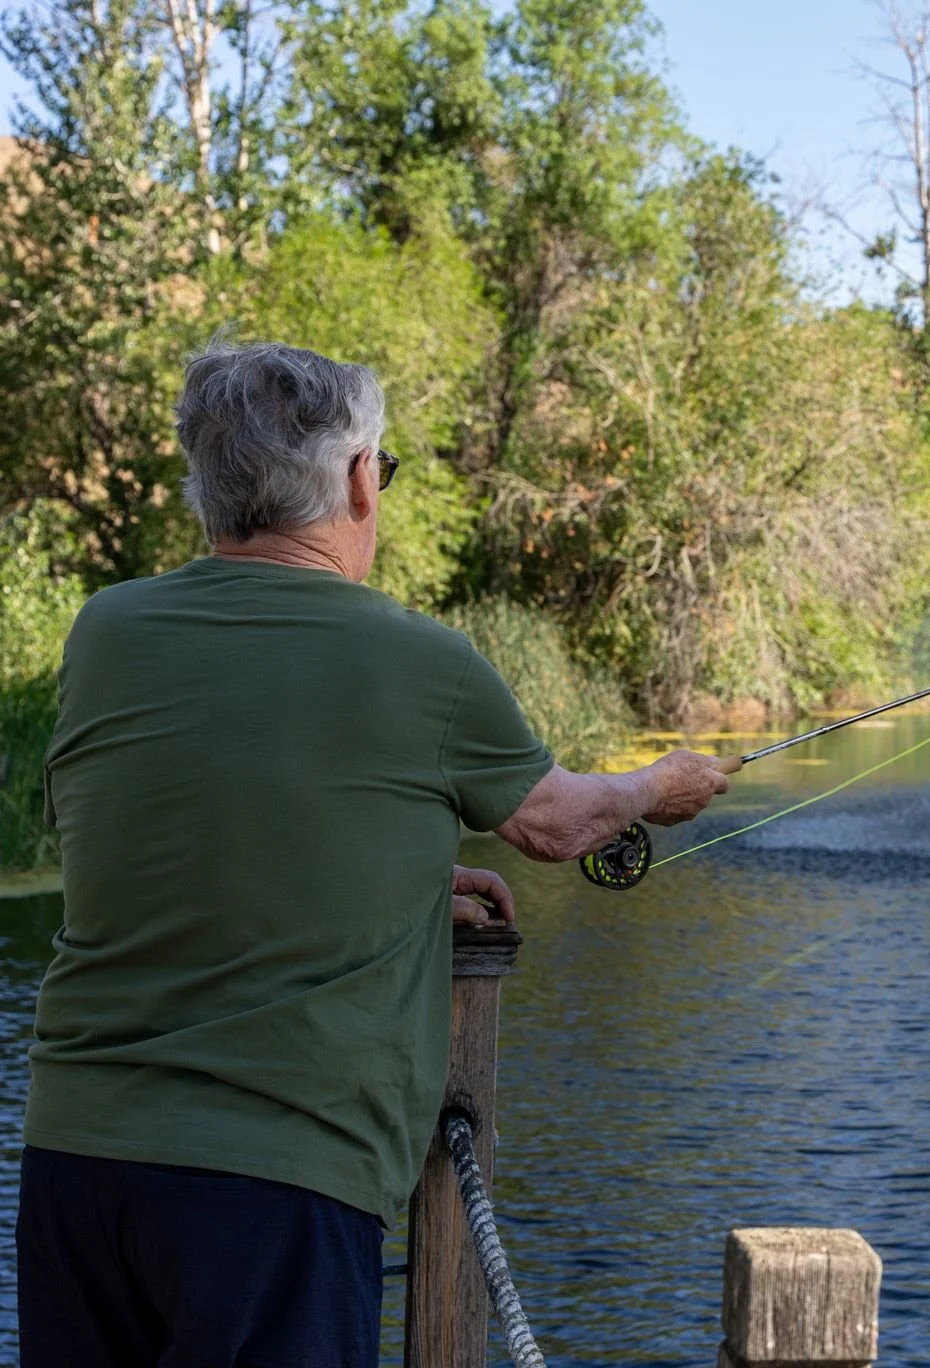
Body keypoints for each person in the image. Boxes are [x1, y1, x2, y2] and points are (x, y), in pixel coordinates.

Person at [14, 340, 734, 1367]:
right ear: (359, 478)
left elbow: (184, 822)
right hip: (275, 1181)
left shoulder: (106, 632)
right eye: (382, 469)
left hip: (78, 1167)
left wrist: (396, 876)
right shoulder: (419, 660)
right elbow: (558, 823)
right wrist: (657, 789)